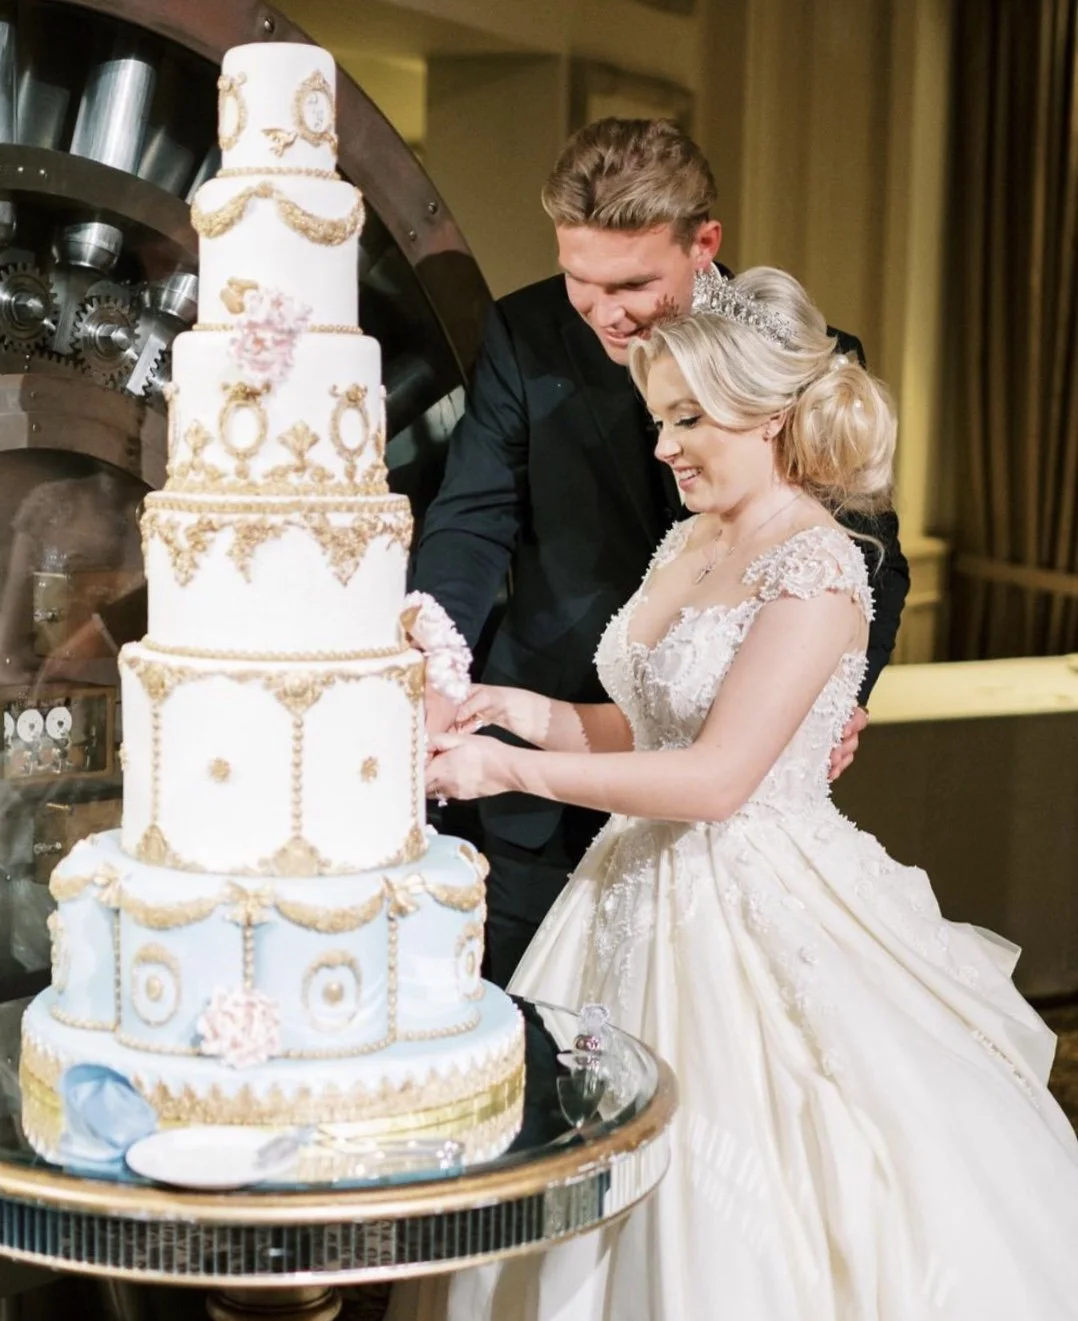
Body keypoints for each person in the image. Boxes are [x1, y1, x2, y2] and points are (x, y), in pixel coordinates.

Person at [398, 269, 1078, 1321]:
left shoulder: (818, 566)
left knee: (750, 1183)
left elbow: (717, 779)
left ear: (769, 415)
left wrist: (511, 769)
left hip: (755, 892)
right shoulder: (691, 540)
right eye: (659, 417)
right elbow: (653, 727)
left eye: (687, 418)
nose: (664, 444)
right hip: (627, 886)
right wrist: (511, 709)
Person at [412, 118, 910, 988]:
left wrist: (833, 697)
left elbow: (868, 559)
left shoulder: (798, 360)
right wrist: (437, 663)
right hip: (555, 740)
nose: (607, 310)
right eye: (581, 280)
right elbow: (470, 521)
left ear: (703, 244)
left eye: (635, 282)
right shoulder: (527, 335)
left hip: (723, 797)